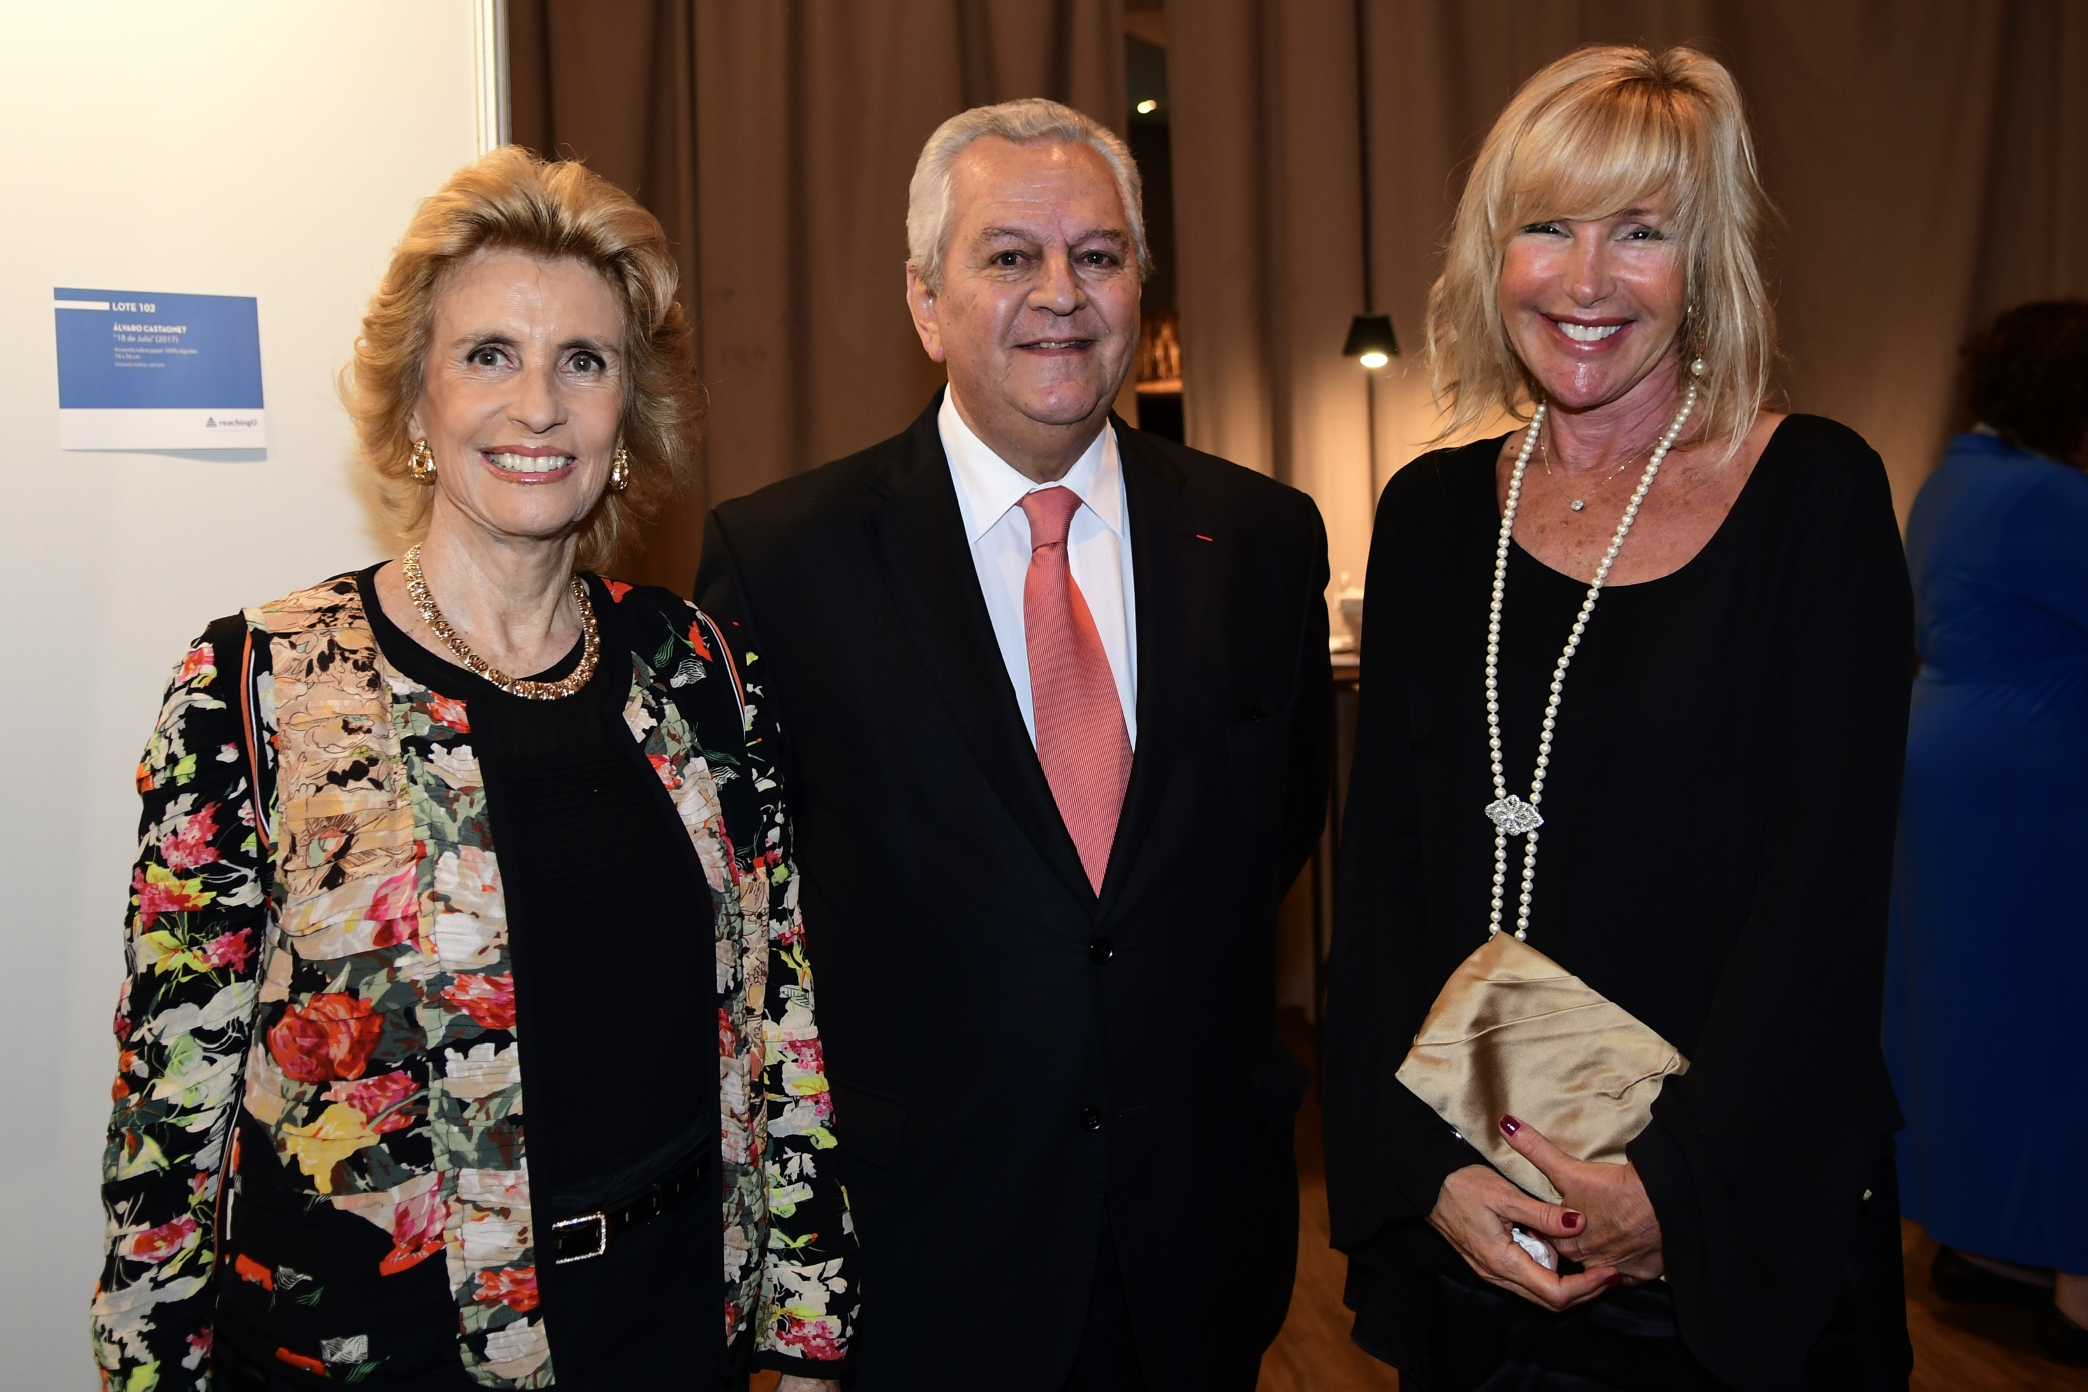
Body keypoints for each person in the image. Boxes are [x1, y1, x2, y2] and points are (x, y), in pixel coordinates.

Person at [90, 148, 855, 1392]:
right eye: (490, 355)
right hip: (373, 1355)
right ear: (414, 404)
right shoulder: (256, 685)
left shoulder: (700, 667)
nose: (538, 405)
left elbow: (784, 1023)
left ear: (627, 415)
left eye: (583, 361)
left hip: (671, 1332)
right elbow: (168, 1116)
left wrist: (809, 1339)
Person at [694, 99, 1331, 1392]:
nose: (1060, 294)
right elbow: (750, 932)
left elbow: (1272, 838)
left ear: (1140, 284)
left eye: (1098, 255)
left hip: (1198, 1244)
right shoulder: (782, 563)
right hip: (925, 1256)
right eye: (1008, 256)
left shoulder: (1263, 540)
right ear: (925, 304)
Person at [1321, 45, 1915, 1392]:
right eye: (1548, 226)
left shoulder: (1816, 498)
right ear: (1494, 253)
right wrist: (1425, 1172)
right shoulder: (1429, 515)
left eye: (1641, 231)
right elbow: (1385, 885)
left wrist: (1673, 1190)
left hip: (1727, 1227)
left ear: (1705, 263)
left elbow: (1823, 904)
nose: (1585, 281)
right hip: (1477, 1212)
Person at [1885, 300, 2088, 1365]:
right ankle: (2078, 1284)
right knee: (2061, 1028)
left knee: (1977, 1021)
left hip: (1956, 770)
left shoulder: (1956, 478)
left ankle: (1983, 1243)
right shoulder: (2047, 496)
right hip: (2032, 786)